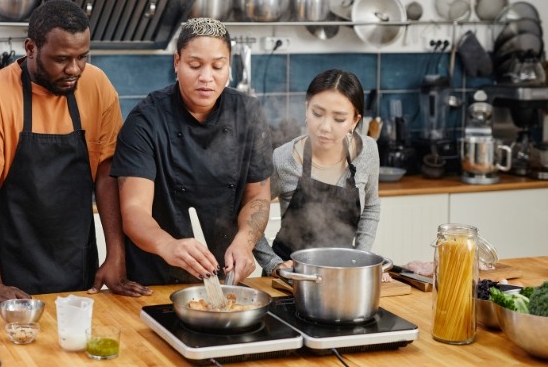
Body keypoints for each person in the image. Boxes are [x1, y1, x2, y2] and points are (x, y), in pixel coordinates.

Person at [0, 0, 151, 308]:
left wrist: (116, 255)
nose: (74, 69)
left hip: (79, 265)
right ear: (31, 47)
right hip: (13, 273)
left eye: (82, 57)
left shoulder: (97, 86)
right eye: (61, 59)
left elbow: (107, 178)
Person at [111, 17, 274, 286]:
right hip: (155, 279)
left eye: (218, 66)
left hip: (226, 278)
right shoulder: (146, 121)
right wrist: (168, 245)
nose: (206, 78)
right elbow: (134, 210)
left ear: (229, 66)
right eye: (195, 65)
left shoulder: (248, 113)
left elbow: (258, 196)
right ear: (177, 62)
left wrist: (245, 242)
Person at [253, 69, 381, 271]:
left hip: (343, 276)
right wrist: (273, 264)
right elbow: (249, 213)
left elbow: (372, 206)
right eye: (317, 114)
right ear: (306, 109)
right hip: (290, 279)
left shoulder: (368, 152)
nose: (325, 127)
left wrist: (359, 260)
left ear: (355, 121)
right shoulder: (284, 159)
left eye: (339, 119)